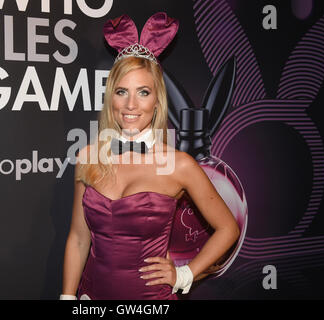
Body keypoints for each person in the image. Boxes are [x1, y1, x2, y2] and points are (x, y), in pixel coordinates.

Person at [60, 12, 240, 300]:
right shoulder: (88, 156)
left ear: (157, 101)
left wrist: (185, 273)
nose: (131, 104)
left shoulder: (179, 165)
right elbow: (79, 238)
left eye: (143, 92)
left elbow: (228, 228)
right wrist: (67, 297)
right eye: (122, 91)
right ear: (111, 98)